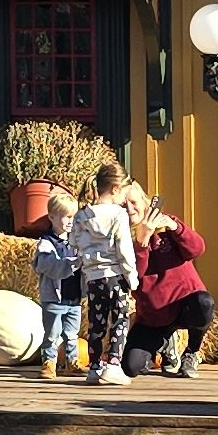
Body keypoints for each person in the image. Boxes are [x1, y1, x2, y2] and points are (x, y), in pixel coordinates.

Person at [123, 192, 213, 377]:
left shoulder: (167, 232)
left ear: (145, 203)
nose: (130, 208)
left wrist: (175, 226)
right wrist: (142, 242)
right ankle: (166, 345)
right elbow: (134, 277)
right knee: (132, 366)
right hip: (154, 317)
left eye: (133, 202)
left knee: (204, 303)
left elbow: (197, 249)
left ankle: (192, 352)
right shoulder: (122, 242)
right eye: (124, 204)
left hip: (184, 305)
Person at [69, 160, 138, 384]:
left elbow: (73, 243)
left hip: (93, 279)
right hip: (116, 277)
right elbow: (124, 249)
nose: (124, 201)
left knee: (96, 322)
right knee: (119, 320)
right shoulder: (118, 215)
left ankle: (95, 367)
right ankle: (114, 364)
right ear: (115, 189)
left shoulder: (82, 215)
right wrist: (132, 277)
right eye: (123, 195)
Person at [31, 189, 83, 377]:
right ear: (52, 217)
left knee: (71, 334)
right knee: (52, 333)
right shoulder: (46, 243)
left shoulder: (76, 242)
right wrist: (72, 263)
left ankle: (72, 362)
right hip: (54, 298)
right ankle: (49, 362)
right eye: (66, 216)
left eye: (73, 217)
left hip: (73, 297)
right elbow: (46, 264)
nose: (70, 221)